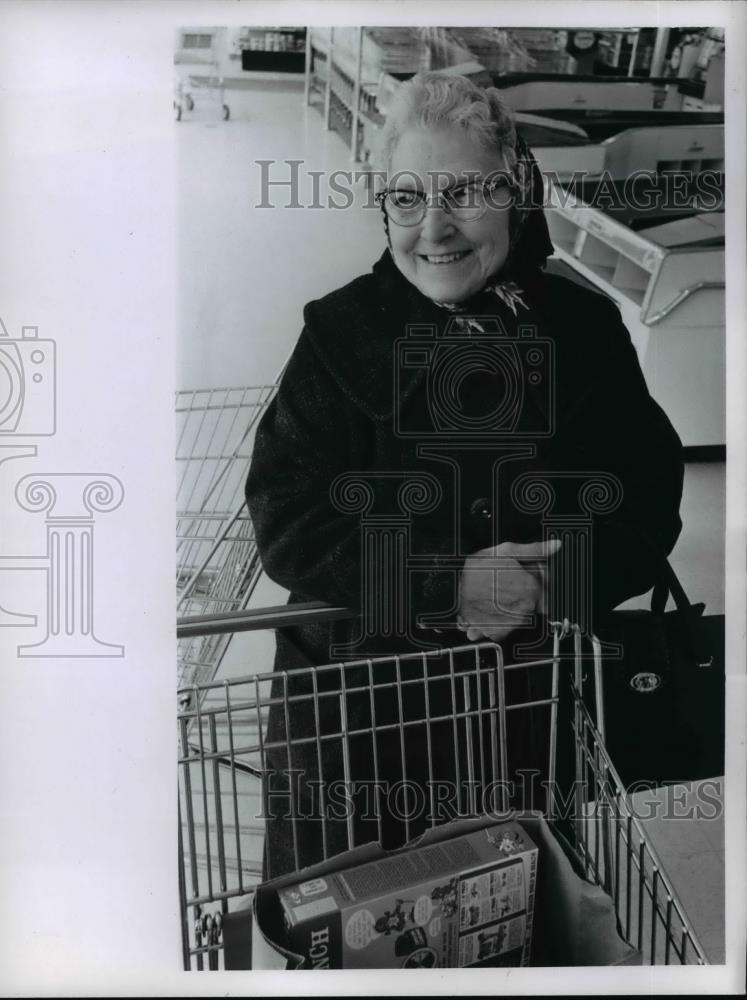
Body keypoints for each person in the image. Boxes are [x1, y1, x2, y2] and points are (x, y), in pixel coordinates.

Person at [245, 73, 684, 880]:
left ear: (515, 193)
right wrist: (450, 582)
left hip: (530, 706)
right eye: (406, 198)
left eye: (465, 194)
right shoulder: (341, 333)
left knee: (519, 909)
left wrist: (553, 583)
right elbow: (288, 522)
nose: (434, 228)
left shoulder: (583, 332)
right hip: (361, 720)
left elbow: (646, 500)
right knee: (363, 925)